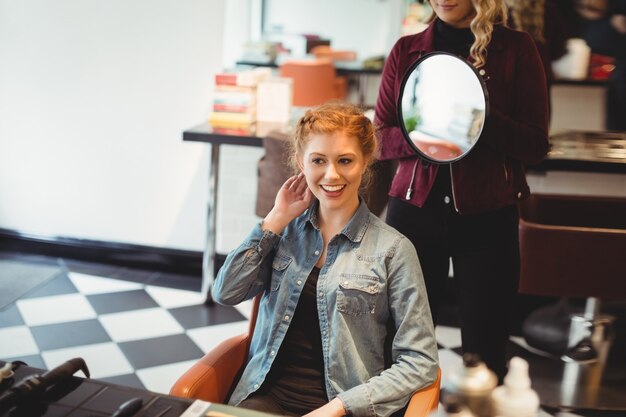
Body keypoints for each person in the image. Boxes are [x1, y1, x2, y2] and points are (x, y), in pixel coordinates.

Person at [212, 102, 439, 417]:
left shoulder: (394, 250)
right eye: (318, 160)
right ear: (301, 164)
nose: (332, 174)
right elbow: (225, 292)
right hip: (267, 398)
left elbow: (421, 362)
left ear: (365, 162)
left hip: (345, 406)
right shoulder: (283, 233)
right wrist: (275, 219)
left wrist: (340, 407)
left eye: (345, 160)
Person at [375, 0, 550, 381]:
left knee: (486, 357)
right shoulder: (406, 50)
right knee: (401, 350)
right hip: (412, 216)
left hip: (489, 219)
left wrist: (481, 121)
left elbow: (535, 145)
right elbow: (379, 139)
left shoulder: (517, 49)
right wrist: (429, 132)